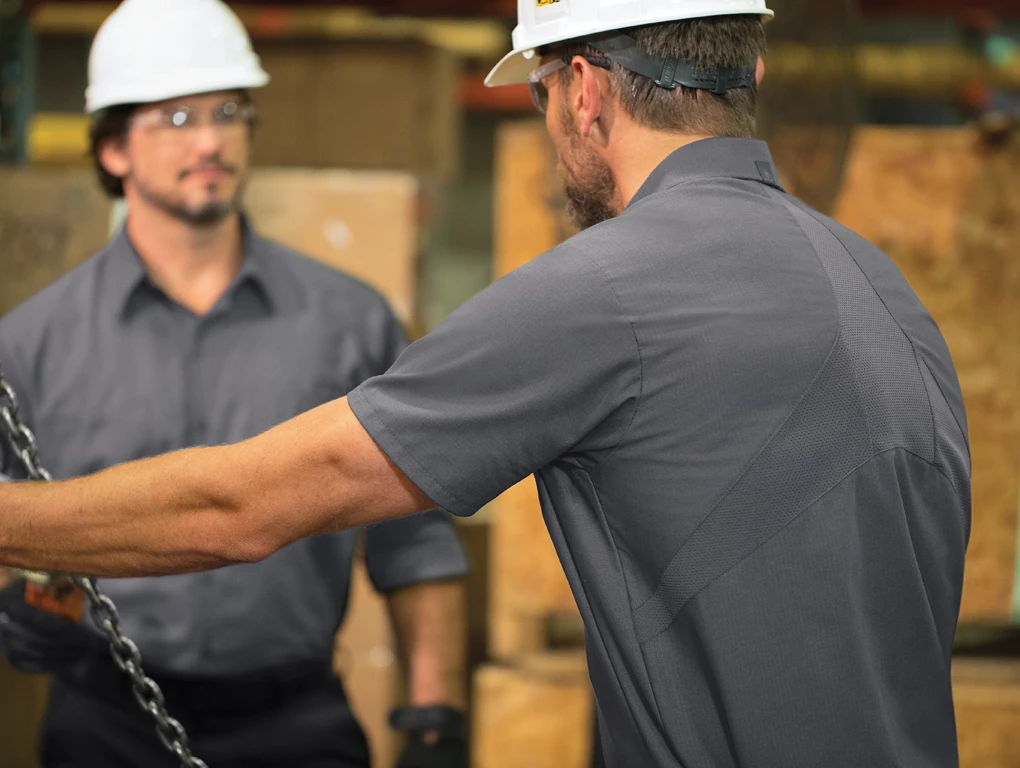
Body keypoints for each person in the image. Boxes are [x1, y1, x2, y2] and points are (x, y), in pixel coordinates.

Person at [0, 1, 972, 766]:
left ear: (584, 89)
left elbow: (239, 507)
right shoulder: (881, 289)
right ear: (749, 71)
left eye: (544, 94)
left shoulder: (602, 292)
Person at [0, 1, 470, 767]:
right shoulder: (29, 344)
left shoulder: (348, 322)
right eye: (178, 118)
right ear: (114, 147)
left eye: (228, 111)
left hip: (297, 724)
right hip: (102, 729)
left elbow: (414, 544)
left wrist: (433, 719)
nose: (213, 139)